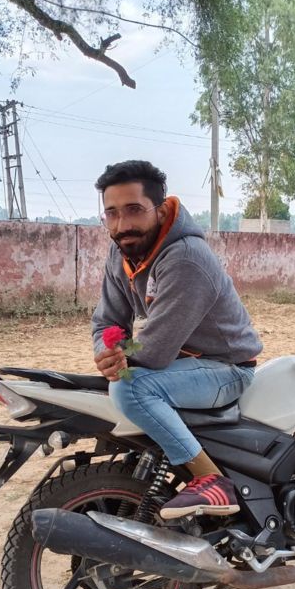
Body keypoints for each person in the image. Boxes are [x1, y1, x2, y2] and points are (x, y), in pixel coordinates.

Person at [92, 160, 263, 520]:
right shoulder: (121, 253)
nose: (122, 225)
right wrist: (107, 351)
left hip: (226, 368)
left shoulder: (186, 258)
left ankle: (212, 480)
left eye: (134, 210)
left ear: (159, 209)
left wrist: (123, 361)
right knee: (117, 380)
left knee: (130, 388)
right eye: (112, 213)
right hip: (181, 363)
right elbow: (107, 321)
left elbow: (154, 351)